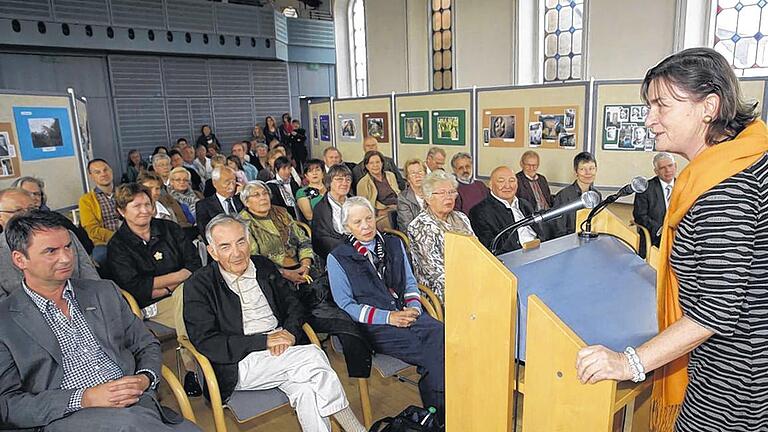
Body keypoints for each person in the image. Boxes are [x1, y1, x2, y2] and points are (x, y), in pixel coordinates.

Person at [575, 47, 768, 432]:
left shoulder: (724, 188)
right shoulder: (746, 157)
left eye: (661, 106)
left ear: (708, 106)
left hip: (733, 381)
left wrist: (627, 362)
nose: (649, 120)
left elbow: (716, 310)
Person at [0, 210, 199, 431]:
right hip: (66, 418)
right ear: (20, 259)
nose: (66, 258)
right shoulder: (6, 321)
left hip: (135, 404)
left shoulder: (103, 292)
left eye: (68, 246)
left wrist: (144, 378)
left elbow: (145, 343)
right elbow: (8, 405)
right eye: (51, 251)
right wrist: (84, 398)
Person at [184, 215, 367, 432]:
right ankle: (356, 429)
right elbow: (207, 341)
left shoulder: (263, 266)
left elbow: (294, 305)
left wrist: (289, 333)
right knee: (313, 356)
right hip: (239, 360)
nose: (237, 252)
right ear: (212, 251)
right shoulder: (199, 285)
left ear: (249, 240)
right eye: (225, 246)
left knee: (307, 390)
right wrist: (265, 341)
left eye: (241, 242)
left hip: (284, 350)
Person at [328, 197, 445, 422]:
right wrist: (389, 317)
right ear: (346, 227)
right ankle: (439, 415)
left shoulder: (393, 243)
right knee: (436, 354)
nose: (365, 226)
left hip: (406, 312)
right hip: (374, 325)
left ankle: (434, 415)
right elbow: (346, 305)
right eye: (357, 222)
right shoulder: (338, 257)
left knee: (443, 335)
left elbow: (410, 282)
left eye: (369, 218)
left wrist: (413, 307)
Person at [0, 188, 98, 301]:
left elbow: (91, 277)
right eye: (18, 211)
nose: (26, 215)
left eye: (32, 209)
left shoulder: (66, 237)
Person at [407, 170, 474, 302]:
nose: (448, 197)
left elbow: (476, 252)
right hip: (441, 289)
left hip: (469, 276)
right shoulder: (420, 226)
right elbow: (435, 273)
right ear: (427, 197)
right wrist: (471, 282)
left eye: (451, 192)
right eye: (442, 193)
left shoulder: (462, 218)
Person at [469, 166, 540, 254]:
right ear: (490, 185)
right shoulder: (479, 212)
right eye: (501, 181)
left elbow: (542, 233)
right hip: (514, 259)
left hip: (539, 251)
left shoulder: (525, 204)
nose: (508, 186)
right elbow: (491, 248)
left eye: (512, 181)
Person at [633, 152, 677, 253]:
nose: (668, 170)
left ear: (675, 166)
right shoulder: (646, 188)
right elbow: (640, 216)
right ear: (656, 171)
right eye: (662, 168)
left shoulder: (684, 187)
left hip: (678, 239)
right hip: (654, 239)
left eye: (670, 166)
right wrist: (660, 230)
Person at [550, 152, 602, 239]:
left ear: (596, 170)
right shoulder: (563, 195)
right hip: (570, 243)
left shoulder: (597, 195)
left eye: (591, 168)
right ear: (575, 172)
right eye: (582, 169)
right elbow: (559, 229)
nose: (588, 173)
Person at [79, 158, 120, 266]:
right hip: (105, 242)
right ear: (91, 176)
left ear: (111, 171)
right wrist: (118, 237)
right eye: (97, 172)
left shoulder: (124, 193)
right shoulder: (86, 200)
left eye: (105, 170)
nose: (103, 174)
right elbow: (92, 229)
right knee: (100, 256)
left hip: (132, 237)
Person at [312, 164, 353, 261]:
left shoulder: (356, 203)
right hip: (337, 252)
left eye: (348, 179)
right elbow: (321, 239)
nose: (344, 183)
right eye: (339, 179)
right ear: (329, 182)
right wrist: (348, 249)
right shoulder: (320, 208)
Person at [195, 166, 244, 238]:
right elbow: (205, 233)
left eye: (233, 181)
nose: (231, 186)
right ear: (215, 183)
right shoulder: (204, 205)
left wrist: (244, 193)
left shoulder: (241, 199)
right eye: (227, 182)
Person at [356, 150, 401, 230]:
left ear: (382, 163)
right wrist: (379, 212)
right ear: (366, 166)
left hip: (398, 208)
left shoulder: (391, 175)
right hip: (382, 215)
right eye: (371, 163)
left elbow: (398, 193)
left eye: (377, 162)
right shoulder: (363, 183)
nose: (375, 165)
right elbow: (363, 207)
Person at [397, 158, 427, 229]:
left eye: (420, 172)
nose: (417, 176)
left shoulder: (433, 193)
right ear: (408, 179)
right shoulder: (403, 198)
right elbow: (408, 226)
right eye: (413, 173)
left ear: (425, 174)